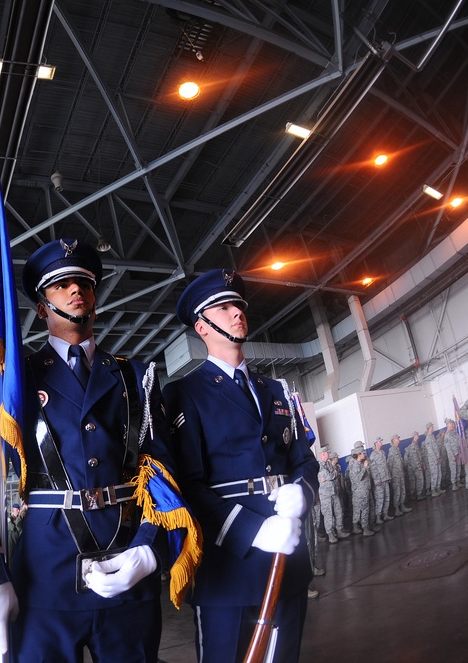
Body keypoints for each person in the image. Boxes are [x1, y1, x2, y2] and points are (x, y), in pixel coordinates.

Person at [0, 240, 184, 662]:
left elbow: (161, 467)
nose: (76, 291)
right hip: (45, 574)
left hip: (127, 562)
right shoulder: (15, 380)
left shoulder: (135, 376)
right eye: (61, 285)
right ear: (43, 308)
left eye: (83, 283)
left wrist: (149, 547)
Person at [162, 268, 318, 663]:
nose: (238, 314)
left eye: (240, 306)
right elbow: (188, 485)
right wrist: (254, 529)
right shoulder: (185, 394)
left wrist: (301, 492)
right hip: (228, 568)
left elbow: (304, 459)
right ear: (202, 327)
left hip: (288, 561)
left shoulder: (276, 390)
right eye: (225, 307)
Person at [317, 449, 347, 543]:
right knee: (328, 515)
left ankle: (339, 530)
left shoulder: (329, 464)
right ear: (322, 455)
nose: (329, 454)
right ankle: (330, 534)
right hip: (325, 495)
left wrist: (330, 475)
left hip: (334, 492)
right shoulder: (319, 466)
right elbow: (330, 476)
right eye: (327, 453)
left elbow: (331, 475)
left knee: (338, 511)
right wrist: (331, 475)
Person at [347, 443, 374, 537]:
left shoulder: (360, 462)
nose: (364, 454)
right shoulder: (355, 464)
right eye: (362, 452)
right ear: (358, 454)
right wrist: (365, 468)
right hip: (360, 490)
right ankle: (365, 529)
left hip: (365, 488)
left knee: (366, 509)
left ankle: (367, 526)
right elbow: (358, 477)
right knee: (364, 510)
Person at [368, 437, 391, 525]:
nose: (381, 442)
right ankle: (378, 517)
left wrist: (388, 476)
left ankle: (385, 514)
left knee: (387, 497)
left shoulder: (382, 453)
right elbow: (373, 469)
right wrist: (377, 480)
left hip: (385, 478)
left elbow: (386, 466)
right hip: (379, 481)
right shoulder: (373, 455)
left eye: (381, 441)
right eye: (380, 441)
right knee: (380, 498)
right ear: (376, 443)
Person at [387, 435, 411, 516]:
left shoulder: (397, 449)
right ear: (394, 440)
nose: (399, 440)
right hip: (395, 475)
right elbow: (390, 465)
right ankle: (397, 509)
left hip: (400, 474)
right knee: (397, 492)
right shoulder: (391, 451)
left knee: (402, 490)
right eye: (398, 438)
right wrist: (390, 476)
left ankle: (402, 506)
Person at [422, 422, 443, 497]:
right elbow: (430, 450)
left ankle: (438, 488)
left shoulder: (432, 436)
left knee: (439, 473)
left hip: (437, 458)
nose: (433, 428)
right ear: (429, 428)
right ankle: (433, 491)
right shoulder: (428, 438)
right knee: (434, 475)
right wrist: (435, 459)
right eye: (432, 427)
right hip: (433, 460)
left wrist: (438, 457)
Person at [404, 431, 426, 501]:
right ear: (414, 436)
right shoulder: (413, 446)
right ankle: (419, 494)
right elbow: (415, 457)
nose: (418, 436)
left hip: (416, 466)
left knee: (416, 480)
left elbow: (419, 456)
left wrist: (422, 464)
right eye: (417, 435)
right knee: (420, 479)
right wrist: (419, 465)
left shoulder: (415, 445)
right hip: (416, 466)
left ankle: (416, 494)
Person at [442, 418, 462, 491]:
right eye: (450, 423)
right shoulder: (447, 435)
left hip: (457, 452)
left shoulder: (454, 432)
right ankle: (454, 484)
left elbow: (458, 441)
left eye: (452, 423)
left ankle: (458, 481)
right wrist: (452, 455)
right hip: (452, 455)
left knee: (458, 467)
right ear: (447, 425)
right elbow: (448, 447)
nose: (452, 424)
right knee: (453, 469)